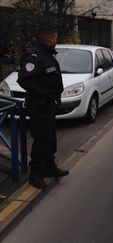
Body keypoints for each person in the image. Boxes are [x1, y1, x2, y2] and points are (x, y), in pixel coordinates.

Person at [17, 27, 69, 189]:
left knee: (50, 138)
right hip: (39, 106)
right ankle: (36, 174)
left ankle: (49, 167)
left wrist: (55, 97)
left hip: (49, 105)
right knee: (41, 140)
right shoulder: (34, 56)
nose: (55, 41)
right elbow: (25, 80)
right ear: (48, 39)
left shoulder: (47, 55)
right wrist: (45, 95)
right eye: (54, 38)